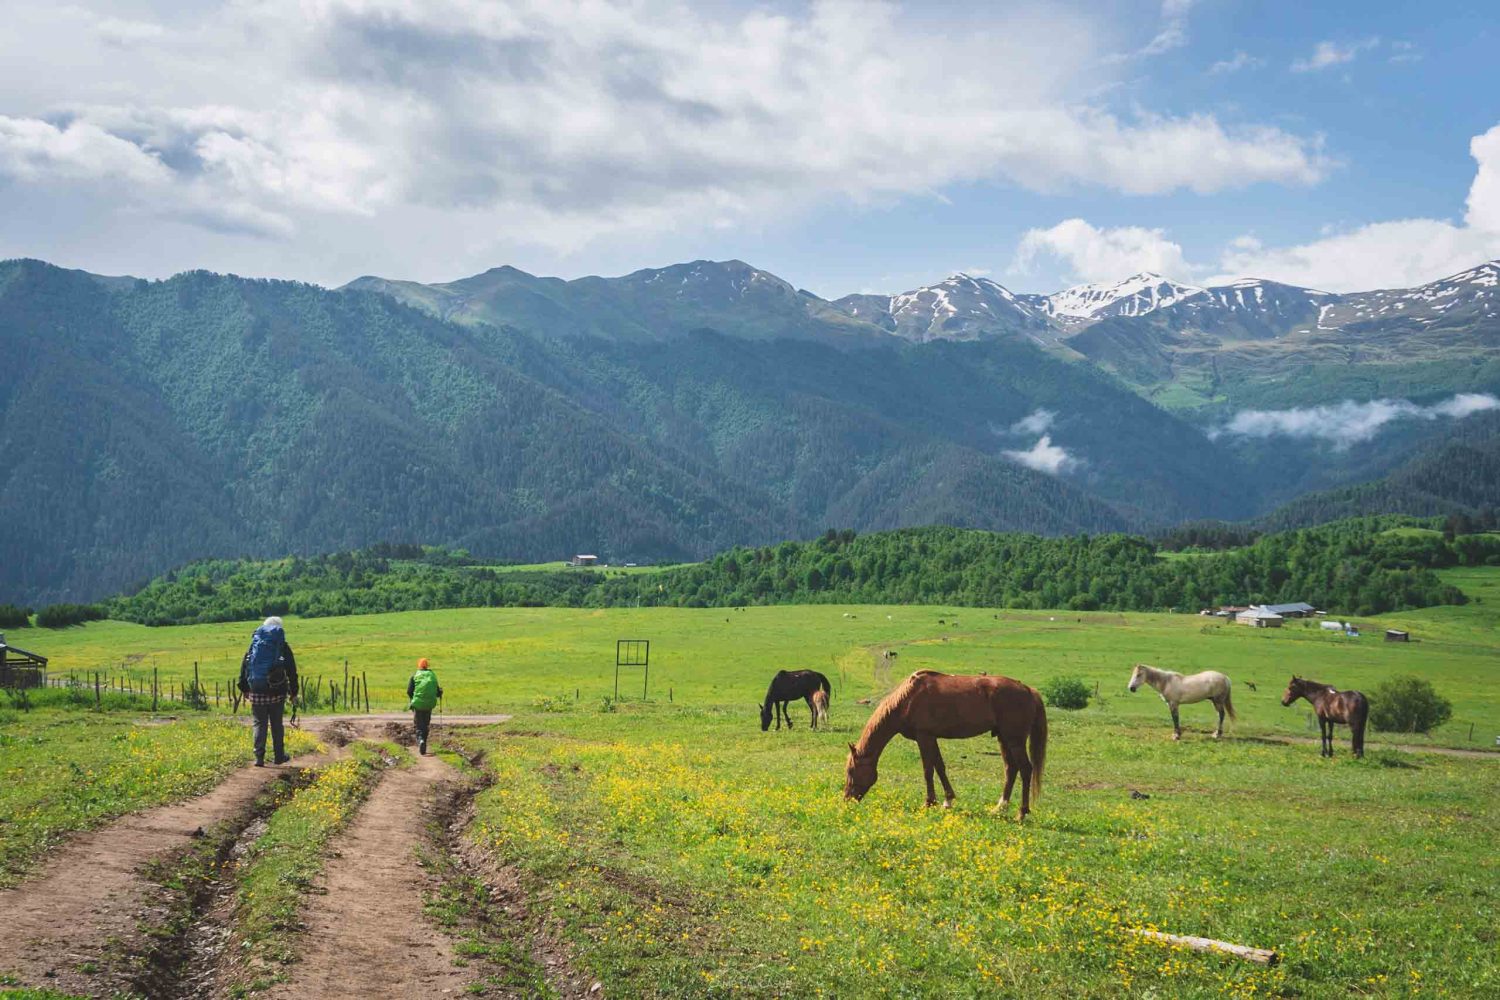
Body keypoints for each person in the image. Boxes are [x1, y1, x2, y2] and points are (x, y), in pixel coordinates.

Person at [238, 615, 299, 766]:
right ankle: (279, 756)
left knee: (259, 723)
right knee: (276, 724)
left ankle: (259, 757)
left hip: (257, 690)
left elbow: (245, 664)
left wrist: (245, 688)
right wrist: (294, 692)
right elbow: (291, 670)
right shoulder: (281, 645)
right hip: (276, 690)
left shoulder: (255, 643)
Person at [407, 658, 443, 755]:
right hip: (429, 704)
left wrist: (413, 699)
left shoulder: (414, 676)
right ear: (427, 666)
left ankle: (421, 741)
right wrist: (440, 693)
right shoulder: (432, 676)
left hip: (418, 704)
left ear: (418, 665)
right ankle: (424, 742)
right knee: (426, 724)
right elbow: (437, 692)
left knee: (419, 725)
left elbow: (409, 691)